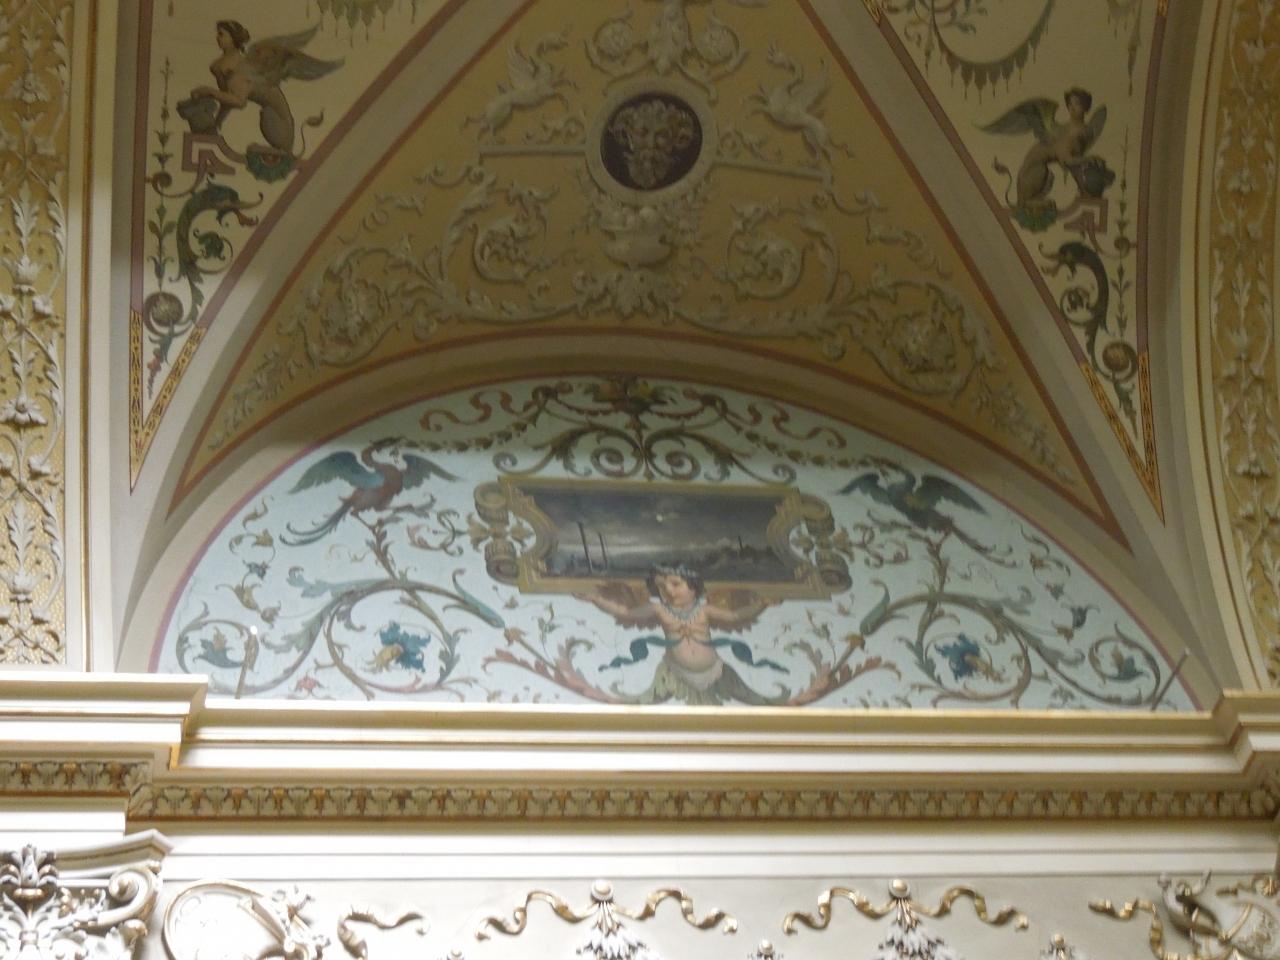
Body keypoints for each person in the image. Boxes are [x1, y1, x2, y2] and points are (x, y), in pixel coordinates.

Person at [575, 564, 788, 705]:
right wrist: (596, 600)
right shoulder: (659, 610)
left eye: (676, 584)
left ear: (694, 587)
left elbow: (734, 616)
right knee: (641, 702)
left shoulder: (704, 610)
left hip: (715, 670)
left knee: (757, 701)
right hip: (675, 671)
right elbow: (626, 612)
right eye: (661, 586)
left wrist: (762, 604)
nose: (668, 590)